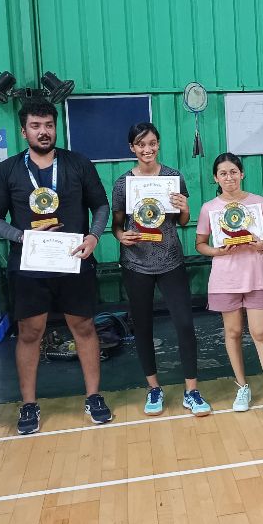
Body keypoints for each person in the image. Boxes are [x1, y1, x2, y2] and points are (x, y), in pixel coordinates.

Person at [0, 98, 112, 434]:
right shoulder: (6, 170)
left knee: (84, 327)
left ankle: (94, 396)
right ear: (23, 131)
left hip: (74, 259)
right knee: (29, 333)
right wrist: (21, 236)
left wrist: (94, 237)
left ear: (56, 128)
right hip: (29, 266)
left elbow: (100, 206)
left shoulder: (78, 163)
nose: (44, 131)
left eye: (49, 125)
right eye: (36, 126)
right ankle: (28, 403)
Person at [111, 122, 211, 417]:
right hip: (136, 263)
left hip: (170, 261)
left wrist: (185, 208)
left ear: (158, 144)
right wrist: (121, 236)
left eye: (152, 143)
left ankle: (191, 391)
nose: (147, 149)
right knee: (142, 326)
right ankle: (153, 387)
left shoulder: (173, 177)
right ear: (132, 148)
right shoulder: (123, 183)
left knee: (185, 325)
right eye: (141, 144)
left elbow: (182, 222)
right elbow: (117, 224)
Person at [195, 153, 263, 421]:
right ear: (215, 178)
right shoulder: (209, 208)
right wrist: (217, 251)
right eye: (223, 173)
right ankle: (242, 387)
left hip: (256, 276)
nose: (229, 177)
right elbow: (200, 244)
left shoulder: (258, 202)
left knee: (261, 332)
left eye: (233, 172)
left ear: (242, 173)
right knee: (233, 333)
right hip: (225, 279)